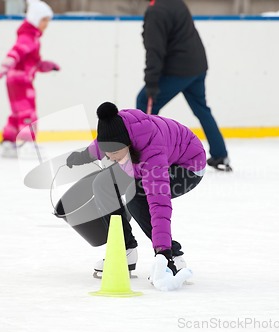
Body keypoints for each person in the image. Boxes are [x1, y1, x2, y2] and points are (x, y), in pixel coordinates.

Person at [66, 102, 206, 289]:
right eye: (108, 153)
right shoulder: (115, 128)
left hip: (187, 167)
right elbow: (104, 145)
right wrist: (83, 156)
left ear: (128, 143)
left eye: (115, 152)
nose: (112, 157)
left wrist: (163, 252)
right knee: (103, 183)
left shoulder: (151, 151)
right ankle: (125, 250)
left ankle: (174, 257)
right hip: (142, 158)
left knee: (136, 197)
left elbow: (159, 205)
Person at [136, 0, 232, 171]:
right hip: (197, 66)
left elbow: (155, 49)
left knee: (145, 103)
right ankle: (220, 154)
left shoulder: (156, 11)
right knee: (202, 109)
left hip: (178, 70)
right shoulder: (176, 3)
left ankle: (147, 157)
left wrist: (151, 81)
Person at [0, 0, 60, 158]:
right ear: (35, 19)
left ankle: (8, 143)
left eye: (48, 20)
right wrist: (6, 64)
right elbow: (17, 50)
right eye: (44, 20)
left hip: (16, 79)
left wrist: (46, 65)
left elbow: (31, 62)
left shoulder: (32, 37)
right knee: (27, 112)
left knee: (17, 112)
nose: (46, 24)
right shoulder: (29, 36)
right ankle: (27, 144)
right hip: (21, 80)